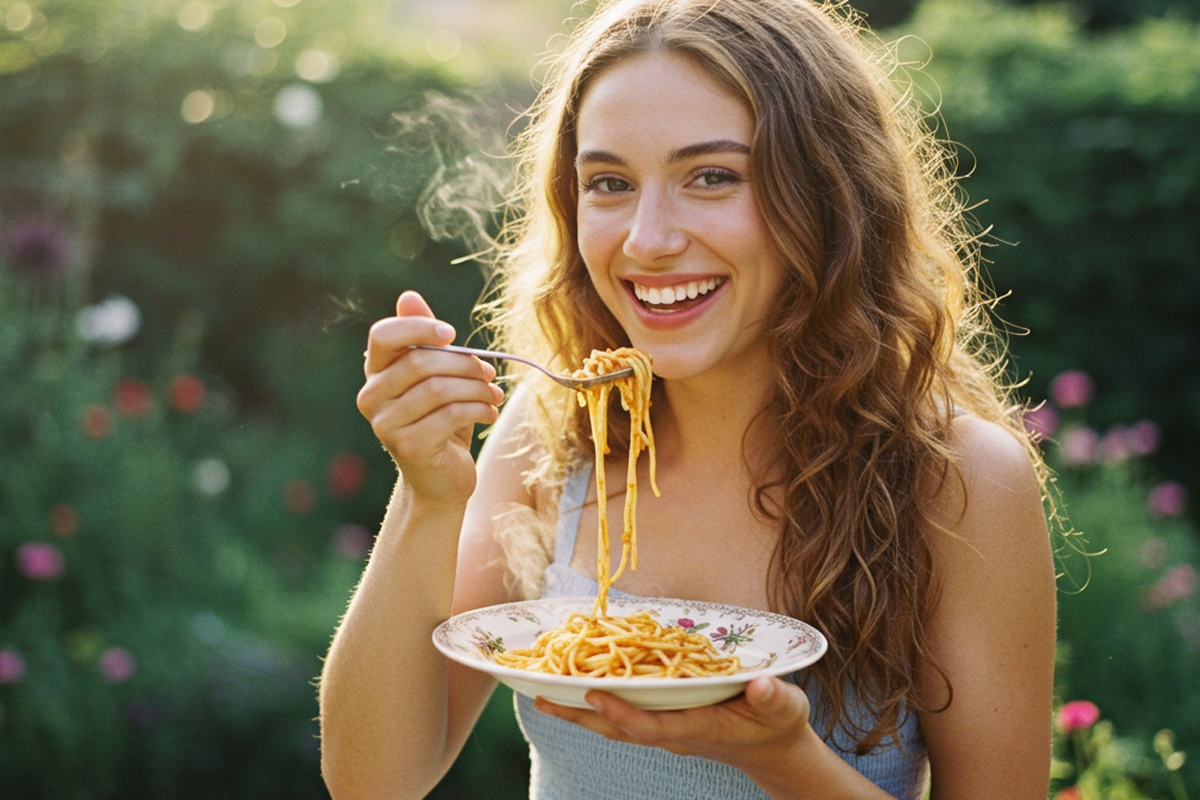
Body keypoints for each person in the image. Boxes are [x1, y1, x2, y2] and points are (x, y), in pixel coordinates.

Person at [318, 0, 1059, 798]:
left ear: (829, 197)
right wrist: (428, 496)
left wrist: (785, 759)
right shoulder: (551, 431)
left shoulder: (956, 479)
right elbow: (372, 783)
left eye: (712, 177)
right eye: (609, 183)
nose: (647, 239)